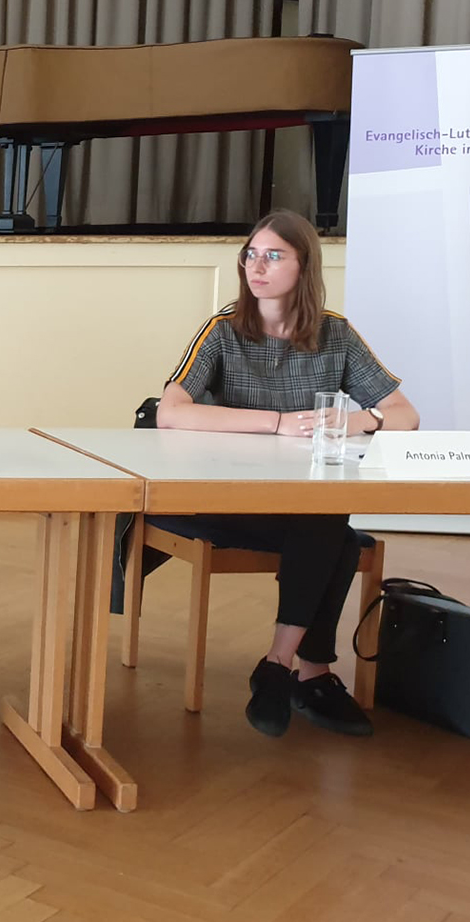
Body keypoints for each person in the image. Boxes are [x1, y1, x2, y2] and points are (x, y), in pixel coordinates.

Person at [155, 209, 419, 738]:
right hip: (223, 499)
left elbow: (405, 415)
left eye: (274, 255)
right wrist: (276, 423)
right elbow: (170, 410)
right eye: (251, 254)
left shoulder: (335, 335)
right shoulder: (224, 331)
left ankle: (280, 665)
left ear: (304, 267)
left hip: (296, 507)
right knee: (332, 529)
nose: (257, 266)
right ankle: (309, 674)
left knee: (325, 519)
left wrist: (360, 419)